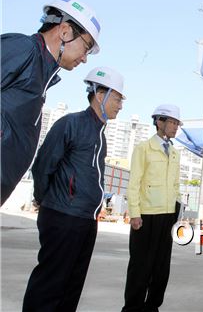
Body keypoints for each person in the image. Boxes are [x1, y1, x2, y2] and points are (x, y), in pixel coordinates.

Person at [22, 67, 124, 312]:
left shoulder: (100, 134)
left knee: (71, 286)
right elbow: (43, 164)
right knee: (50, 285)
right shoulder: (71, 123)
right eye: (118, 98)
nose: (120, 105)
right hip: (63, 216)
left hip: (86, 221)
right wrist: (45, 200)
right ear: (101, 94)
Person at [1, 0, 101, 205]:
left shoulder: (42, 75)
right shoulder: (23, 49)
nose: (84, 58)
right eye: (86, 47)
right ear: (65, 31)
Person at [122, 104, 182, 312]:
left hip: (167, 216)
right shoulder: (144, 149)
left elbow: (175, 185)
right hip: (146, 216)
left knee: (161, 268)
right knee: (140, 267)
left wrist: (178, 210)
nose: (175, 127)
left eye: (177, 123)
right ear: (159, 122)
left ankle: (152, 307)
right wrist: (135, 213)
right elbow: (134, 183)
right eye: (172, 122)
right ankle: (132, 308)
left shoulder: (175, 153)